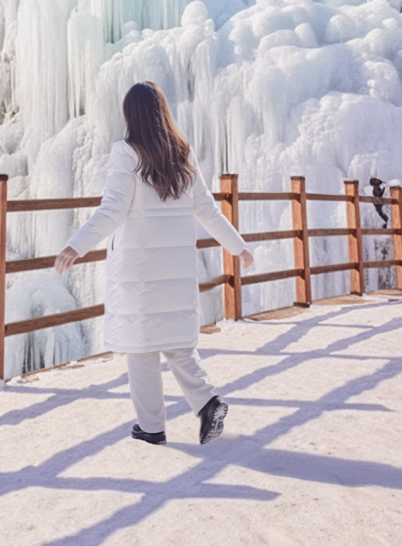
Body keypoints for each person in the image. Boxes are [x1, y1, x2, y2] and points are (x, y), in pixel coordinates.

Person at [54, 81, 254, 445]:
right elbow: (208, 211)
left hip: (139, 273)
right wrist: (237, 246)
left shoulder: (127, 153)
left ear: (131, 115)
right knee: (177, 344)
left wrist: (75, 246)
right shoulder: (183, 154)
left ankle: (152, 427)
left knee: (142, 349)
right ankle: (208, 402)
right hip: (175, 271)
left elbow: (112, 211)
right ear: (162, 112)